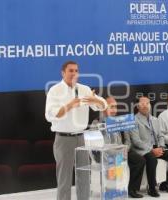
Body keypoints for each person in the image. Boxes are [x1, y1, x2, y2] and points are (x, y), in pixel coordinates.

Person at [45, 61, 107, 200]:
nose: (74, 73)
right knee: (64, 178)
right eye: (70, 70)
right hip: (64, 139)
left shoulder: (84, 89)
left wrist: (94, 100)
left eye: (76, 70)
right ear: (63, 73)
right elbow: (50, 116)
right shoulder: (55, 90)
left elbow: (103, 105)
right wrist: (70, 105)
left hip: (82, 138)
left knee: (84, 175)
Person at [92, 96, 146, 198]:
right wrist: (117, 152)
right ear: (103, 108)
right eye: (111, 107)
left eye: (116, 107)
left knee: (140, 160)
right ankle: (111, 191)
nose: (114, 110)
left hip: (122, 151)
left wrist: (125, 149)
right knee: (114, 161)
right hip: (107, 154)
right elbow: (99, 145)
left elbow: (127, 140)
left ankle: (132, 189)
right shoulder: (97, 123)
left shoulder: (120, 120)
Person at [130, 96, 168, 197]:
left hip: (158, 147)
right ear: (137, 106)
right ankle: (152, 188)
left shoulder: (155, 119)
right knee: (152, 159)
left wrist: (162, 146)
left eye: (147, 103)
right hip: (143, 149)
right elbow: (136, 141)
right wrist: (151, 150)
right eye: (142, 103)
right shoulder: (133, 120)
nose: (145, 106)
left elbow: (161, 135)